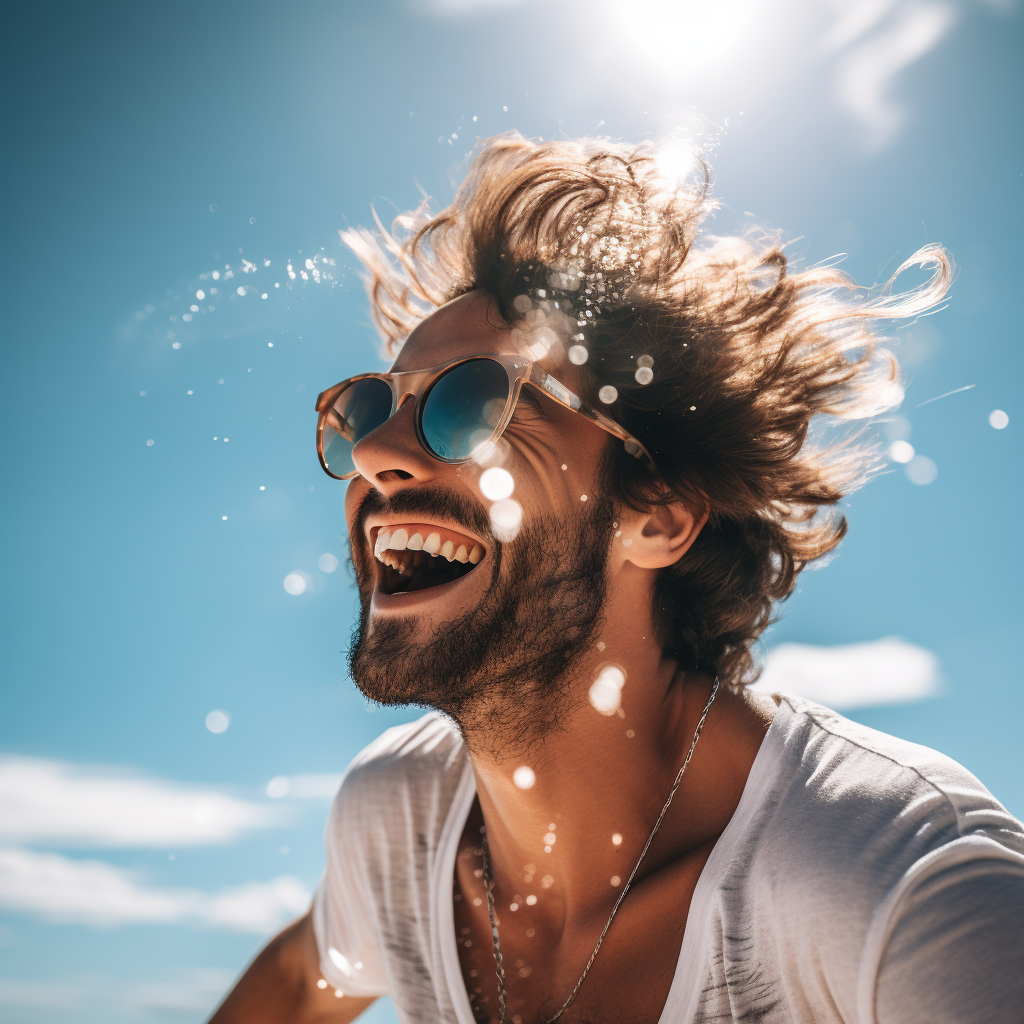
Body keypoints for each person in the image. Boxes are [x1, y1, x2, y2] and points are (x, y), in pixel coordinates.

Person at [208, 136, 1024, 1024]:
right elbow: (300, 983)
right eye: (369, 408)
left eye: (472, 402)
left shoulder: (898, 888)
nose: (373, 452)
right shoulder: (398, 820)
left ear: (659, 515)